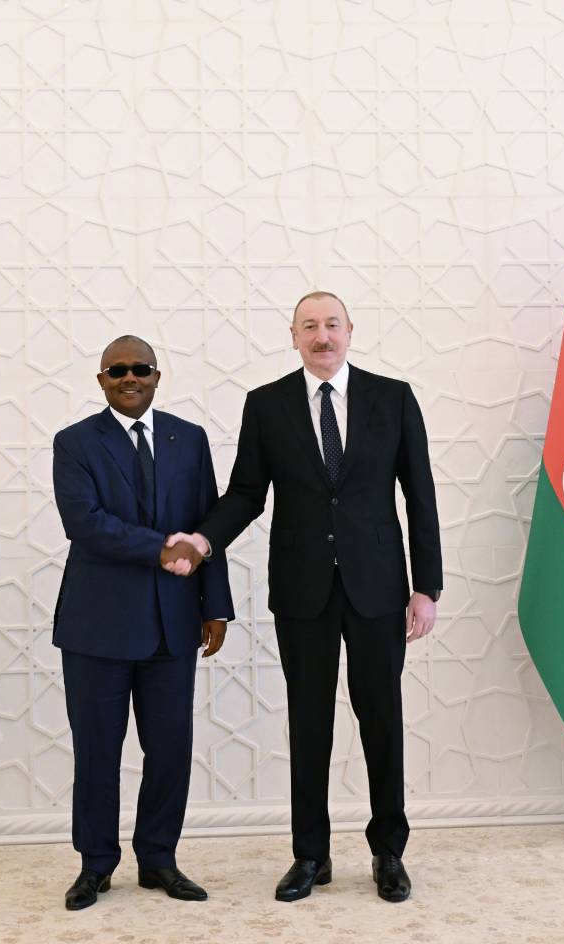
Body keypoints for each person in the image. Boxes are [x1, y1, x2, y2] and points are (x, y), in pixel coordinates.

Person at [166, 292, 441, 903]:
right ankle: (310, 855)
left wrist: (426, 587)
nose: (323, 336)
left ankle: (388, 852)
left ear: (351, 331)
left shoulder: (393, 398)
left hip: (378, 588)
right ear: (293, 336)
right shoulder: (266, 405)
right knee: (309, 723)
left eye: (332, 325)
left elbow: (419, 493)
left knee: (382, 720)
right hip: (302, 590)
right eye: (310, 326)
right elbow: (246, 493)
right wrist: (203, 541)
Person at [51, 335, 233, 910]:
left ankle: (158, 859)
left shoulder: (190, 438)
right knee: (97, 752)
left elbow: (207, 524)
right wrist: (159, 548)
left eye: (140, 369)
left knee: (171, 750)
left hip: (173, 624)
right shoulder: (74, 442)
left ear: (157, 376)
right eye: (117, 370)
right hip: (96, 627)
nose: (129, 378)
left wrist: (216, 605)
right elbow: (84, 522)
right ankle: (95, 865)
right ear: (101, 380)